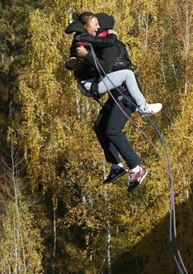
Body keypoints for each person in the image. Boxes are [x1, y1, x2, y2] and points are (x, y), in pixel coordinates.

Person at [65, 12, 160, 192]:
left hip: (126, 94)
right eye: (94, 24)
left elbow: (104, 67)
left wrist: (85, 56)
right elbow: (90, 68)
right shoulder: (95, 45)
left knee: (112, 131)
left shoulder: (112, 46)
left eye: (98, 24)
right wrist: (70, 63)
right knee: (100, 127)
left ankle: (136, 168)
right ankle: (116, 165)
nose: (97, 27)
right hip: (116, 94)